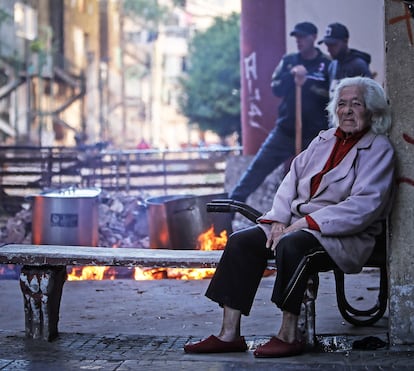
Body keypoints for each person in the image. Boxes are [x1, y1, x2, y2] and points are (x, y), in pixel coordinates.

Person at [184, 76, 395, 358]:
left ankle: (289, 333)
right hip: (296, 225)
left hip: (341, 235)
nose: (347, 111)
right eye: (342, 104)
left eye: (356, 104)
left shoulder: (379, 149)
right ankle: (229, 334)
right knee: (241, 242)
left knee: (293, 245)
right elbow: (290, 180)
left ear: (372, 111)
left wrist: (302, 224)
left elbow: (363, 207)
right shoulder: (323, 140)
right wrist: (278, 220)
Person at [229, 22, 331, 203]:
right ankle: (232, 205)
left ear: (313, 37)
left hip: (314, 135)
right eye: (296, 37)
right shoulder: (289, 61)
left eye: (303, 37)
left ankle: (312, 213)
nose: (299, 41)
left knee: (317, 177)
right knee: (258, 168)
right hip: (284, 131)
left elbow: (330, 94)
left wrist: (307, 82)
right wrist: (291, 77)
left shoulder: (326, 64)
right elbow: (275, 88)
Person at [318, 22, 372, 97]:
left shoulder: (358, 65)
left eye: (333, 45)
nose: (328, 49)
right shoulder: (333, 65)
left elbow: (370, 97)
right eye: (327, 45)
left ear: (345, 41)